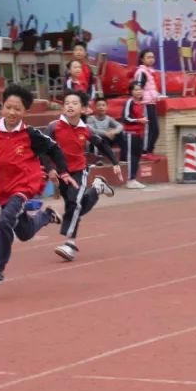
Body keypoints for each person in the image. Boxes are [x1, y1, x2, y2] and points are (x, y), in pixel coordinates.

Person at [0, 84, 71, 285]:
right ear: (2, 107)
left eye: (17, 109)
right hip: (2, 189)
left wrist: (63, 171)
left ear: (25, 111)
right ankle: (46, 215)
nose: (12, 112)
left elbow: (54, 148)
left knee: (3, 222)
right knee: (24, 233)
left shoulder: (31, 134)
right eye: (8, 107)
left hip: (25, 185)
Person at [46, 89, 120, 262]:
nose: (70, 106)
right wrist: (49, 169)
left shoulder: (85, 129)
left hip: (79, 170)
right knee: (73, 205)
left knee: (75, 204)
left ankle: (70, 244)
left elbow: (102, 145)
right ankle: (97, 188)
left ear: (84, 109)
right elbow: (43, 149)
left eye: (74, 103)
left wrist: (115, 162)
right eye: (67, 103)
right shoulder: (54, 126)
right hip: (62, 173)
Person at [132, 50, 161, 159]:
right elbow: (138, 88)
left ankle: (149, 151)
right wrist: (139, 103)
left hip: (151, 103)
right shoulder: (141, 72)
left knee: (155, 130)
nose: (151, 59)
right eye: (148, 57)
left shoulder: (149, 72)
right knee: (149, 129)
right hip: (145, 104)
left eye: (152, 57)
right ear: (142, 59)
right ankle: (145, 152)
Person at [121, 81, 148, 189]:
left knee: (137, 157)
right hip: (130, 134)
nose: (138, 91)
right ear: (131, 91)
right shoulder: (129, 103)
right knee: (131, 157)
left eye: (140, 89)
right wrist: (138, 120)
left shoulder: (142, 104)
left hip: (139, 134)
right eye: (136, 89)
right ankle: (130, 179)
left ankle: (133, 179)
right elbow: (125, 118)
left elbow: (144, 119)